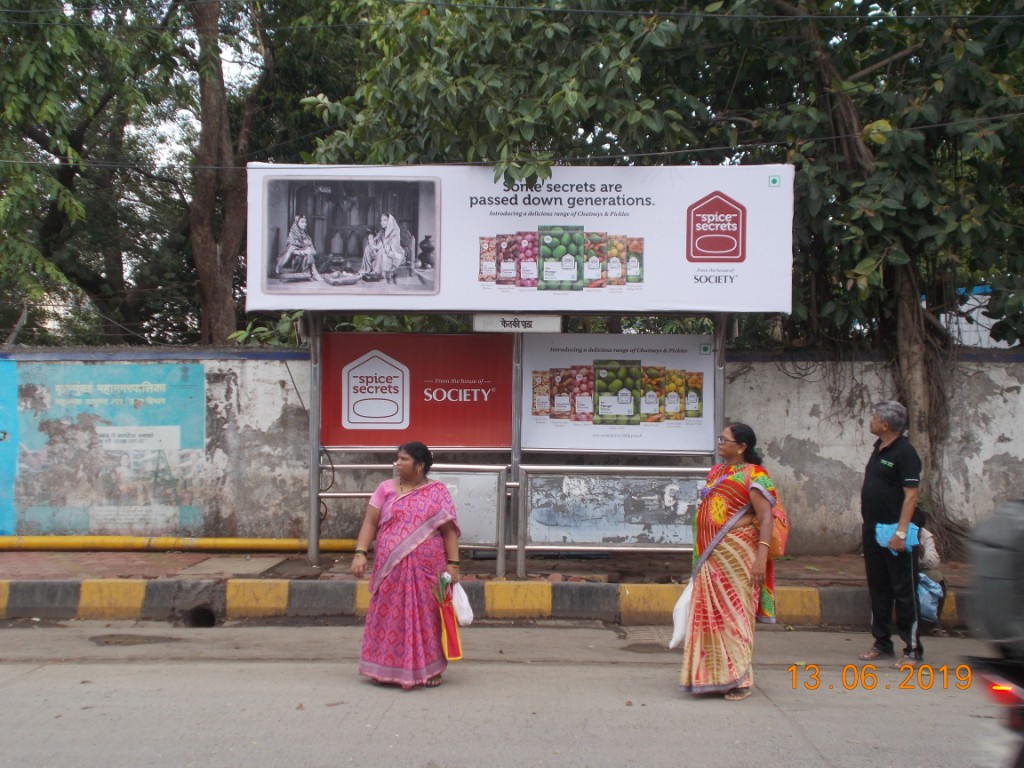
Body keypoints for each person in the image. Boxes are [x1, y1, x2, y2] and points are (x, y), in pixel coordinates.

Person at [679, 422, 778, 702]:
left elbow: (766, 518)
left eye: (725, 439)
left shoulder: (755, 475)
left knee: (735, 615)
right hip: (712, 556)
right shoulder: (716, 472)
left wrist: (761, 558)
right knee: (710, 616)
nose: (720, 443)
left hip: (739, 556)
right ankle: (711, 676)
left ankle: (740, 680)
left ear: (742, 447)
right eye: (720, 438)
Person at [350, 442, 461, 689]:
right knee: (389, 616)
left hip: (427, 570)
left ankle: (429, 670)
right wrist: (360, 553)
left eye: (403, 459)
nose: (397, 463)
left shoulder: (437, 492)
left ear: (419, 466)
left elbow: (449, 531)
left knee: (426, 618)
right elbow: (370, 523)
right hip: (390, 568)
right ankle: (383, 669)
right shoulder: (385, 489)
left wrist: (453, 565)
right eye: (397, 458)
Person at [858, 400, 924, 667]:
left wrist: (900, 532)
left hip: (895, 532)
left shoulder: (905, 452)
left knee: (904, 590)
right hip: (873, 529)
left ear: (885, 424)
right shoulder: (879, 448)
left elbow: (912, 496)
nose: (871, 420)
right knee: (879, 588)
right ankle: (882, 642)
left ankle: (913, 649)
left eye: (874, 417)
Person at [275, 214, 322, 279]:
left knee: (322, 258)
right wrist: (304, 252)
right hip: (296, 259)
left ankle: (312, 272)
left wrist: (310, 251)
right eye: (302, 222)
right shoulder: (292, 235)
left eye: (305, 222)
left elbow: (314, 250)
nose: (304, 224)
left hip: (308, 257)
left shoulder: (307, 236)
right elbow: (291, 250)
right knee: (308, 256)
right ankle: (314, 273)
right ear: (297, 223)